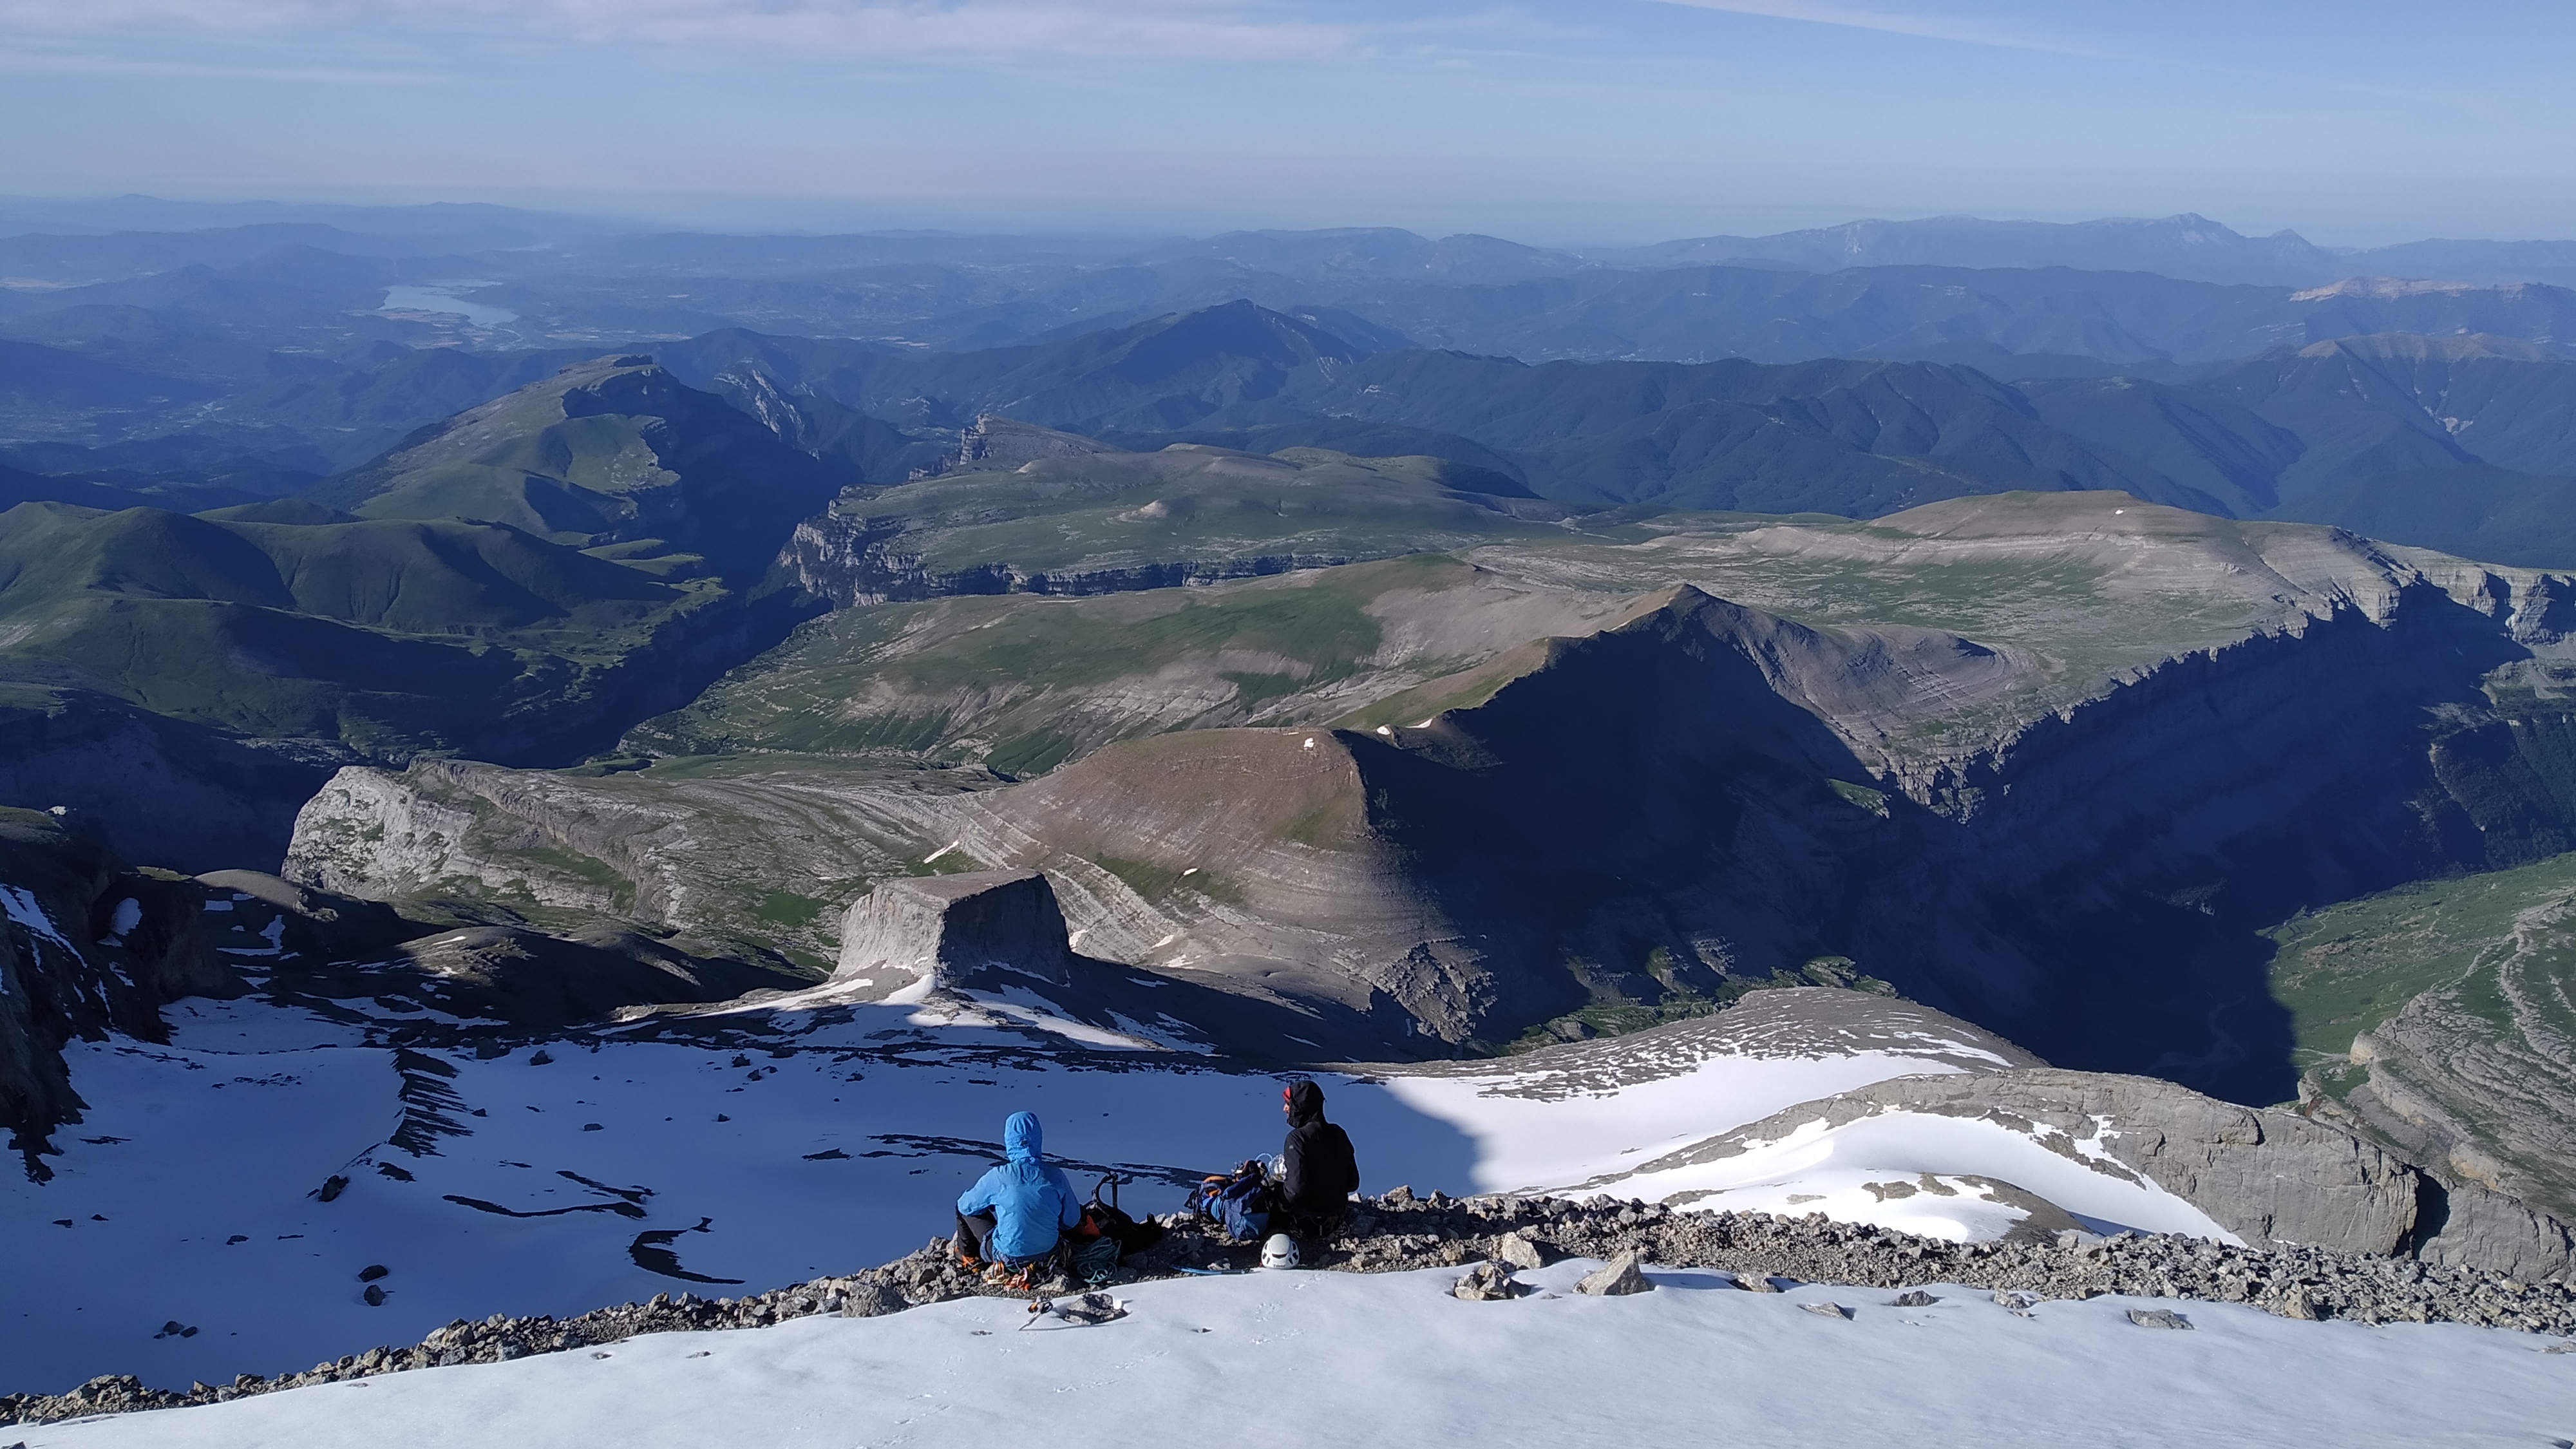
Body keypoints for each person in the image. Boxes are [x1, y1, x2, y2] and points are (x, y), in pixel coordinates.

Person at [954, 1110, 1081, 1283]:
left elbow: (965, 1206)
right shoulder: (1055, 1175)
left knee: (964, 1209)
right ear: (1038, 1138)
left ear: (1009, 1140)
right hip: (1049, 1253)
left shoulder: (998, 1176)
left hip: (1007, 1258)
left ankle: (969, 1256)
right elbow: (1071, 1220)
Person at [1276, 1077, 1359, 1235]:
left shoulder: (1297, 1139)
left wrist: (1279, 1197)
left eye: (1289, 1104)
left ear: (1300, 1107)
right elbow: (1353, 1184)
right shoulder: (1339, 1133)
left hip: (1307, 1221)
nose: (1285, 1109)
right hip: (1337, 1215)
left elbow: (1295, 1189)